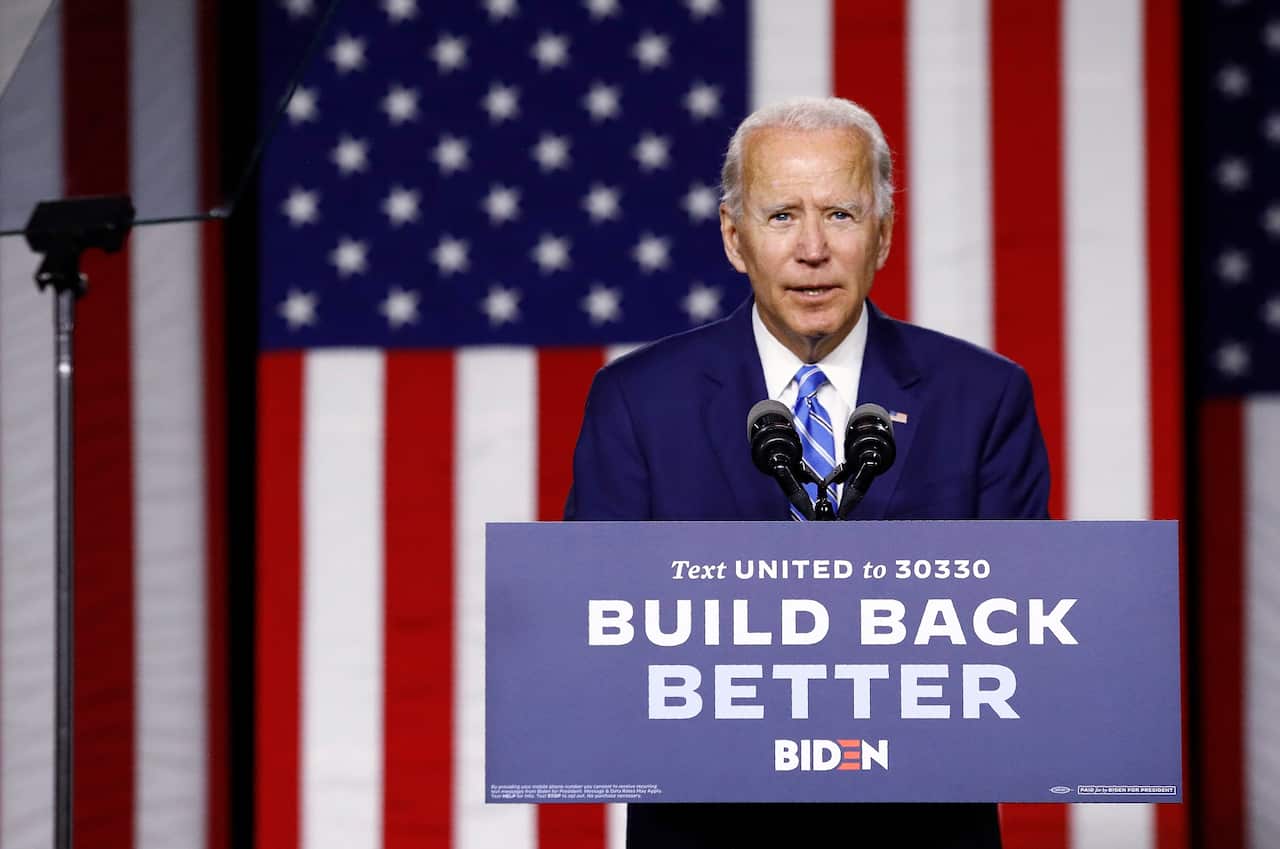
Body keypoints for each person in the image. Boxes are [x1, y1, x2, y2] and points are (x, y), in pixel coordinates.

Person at [565, 97, 1049, 848]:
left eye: (843, 215)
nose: (813, 248)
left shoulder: (983, 397)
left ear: (883, 234)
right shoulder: (638, 401)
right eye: (783, 215)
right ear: (735, 238)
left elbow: (1021, 644)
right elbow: (593, 638)